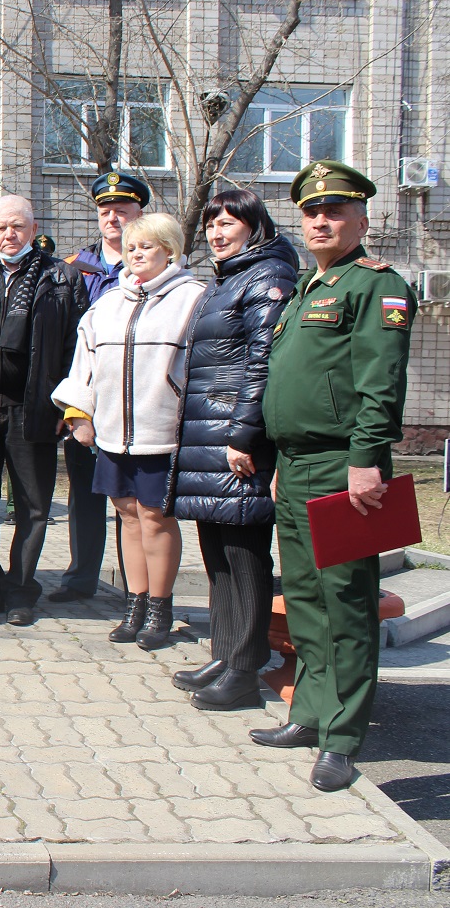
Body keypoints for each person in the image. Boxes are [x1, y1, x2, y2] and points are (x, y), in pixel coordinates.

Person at [254, 161, 416, 793]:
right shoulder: (306, 288)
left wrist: (367, 459)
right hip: (296, 466)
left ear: (362, 220)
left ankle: (343, 740)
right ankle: (312, 715)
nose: (321, 220)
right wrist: (279, 463)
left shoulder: (376, 286)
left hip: (344, 464)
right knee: (306, 602)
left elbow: (381, 382)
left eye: (336, 211)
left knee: (346, 603)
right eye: (312, 212)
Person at [166, 190, 298, 709]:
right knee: (218, 554)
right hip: (207, 434)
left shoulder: (268, 278)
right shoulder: (230, 279)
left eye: (228, 224)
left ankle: (245, 669)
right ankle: (225, 655)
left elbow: (264, 364)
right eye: (212, 226)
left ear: (254, 227)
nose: (218, 234)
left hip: (234, 443)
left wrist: (244, 435)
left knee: (245, 557)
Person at [53, 213, 205, 649]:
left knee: (155, 518)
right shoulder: (107, 304)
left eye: (148, 247)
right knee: (127, 515)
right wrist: (79, 414)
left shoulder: (192, 299)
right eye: (133, 248)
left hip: (163, 432)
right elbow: (83, 364)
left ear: (170, 252)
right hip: (113, 433)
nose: (137, 255)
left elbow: (201, 368)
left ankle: (161, 606)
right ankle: (135, 602)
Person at [0, 195, 89, 627]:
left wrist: (68, 405)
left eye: (18, 226)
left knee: (33, 505)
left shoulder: (61, 277)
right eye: (1, 228)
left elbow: (75, 349)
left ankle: (21, 591)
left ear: (33, 228)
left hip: (33, 408)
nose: (10, 235)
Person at [51, 172, 150, 606]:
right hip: (86, 400)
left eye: (123, 210)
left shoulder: (152, 267)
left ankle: (139, 587)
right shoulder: (75, 268)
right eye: (106, 211)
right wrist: (65, 403)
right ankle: (80, 577)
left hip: (136, 402)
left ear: (139, 214)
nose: (114, 218)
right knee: (85, 492)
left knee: (135, 499)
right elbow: (58, 338)